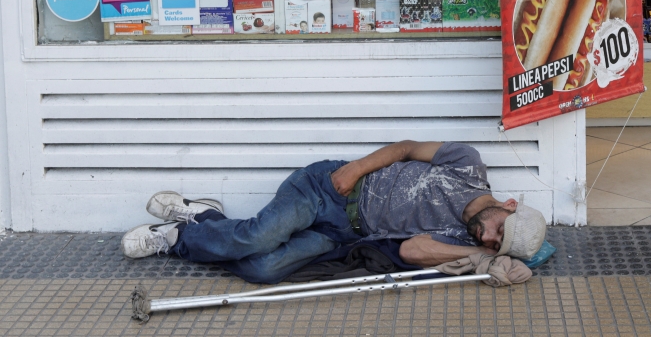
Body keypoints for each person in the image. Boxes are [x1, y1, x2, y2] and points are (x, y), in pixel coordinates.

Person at [120, 141, 547, 284]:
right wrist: (358, 167)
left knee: (263, 270)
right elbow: (406, 148)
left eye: (495, 245)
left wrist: (487, 260)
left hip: (344, 235)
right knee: (256, 237)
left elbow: (415, 251)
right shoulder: (467, 164)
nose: (487, 239)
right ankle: (175, 238)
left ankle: (204, 217)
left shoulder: (463, 244)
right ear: (508, 206)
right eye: (498, 231)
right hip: (329, 188)